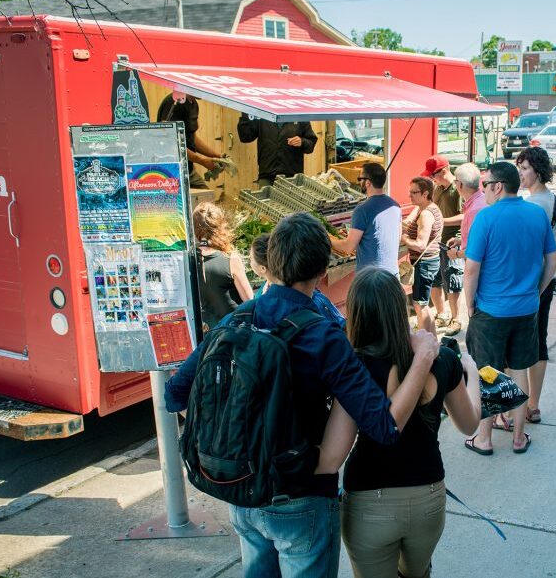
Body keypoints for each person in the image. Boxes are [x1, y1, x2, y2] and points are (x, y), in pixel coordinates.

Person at [165, 213, 440, 578]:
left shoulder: (235, 322)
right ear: (322, 270)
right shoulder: (325, 337)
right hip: (301, 497)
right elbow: (384, 428)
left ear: (270, 263)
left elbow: (175, 396)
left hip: (241, 491)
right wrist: (423, 356)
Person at [315, 268, 481, 578]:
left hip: (369, 501)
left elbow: (333, 455)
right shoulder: (442, 359)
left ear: (356, 312)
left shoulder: (356, 367)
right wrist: (471, 372)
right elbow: (470, 425)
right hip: (428, 495)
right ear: (398, 305)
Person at [462, 162, 556, 456]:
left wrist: (469, 305)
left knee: (489, 373)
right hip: (526, 309)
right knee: (518, 370)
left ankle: (485, 438)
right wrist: (536, 293)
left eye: (485, 184)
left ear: (498, 186)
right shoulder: (537, 214)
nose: (483, 191)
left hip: (491, 311)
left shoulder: (486, 218)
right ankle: (518, 437)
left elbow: (471, 269)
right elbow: (552, 261)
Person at [517, 147, 556, 424]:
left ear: (538, 171)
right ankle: (533, 404)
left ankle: (524, 407)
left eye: (525, 168)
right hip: (546, 279)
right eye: (518, 167)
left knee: (525, 345)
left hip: (533, 282)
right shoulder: (549, 198)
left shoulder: (536, 204)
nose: (520, 173)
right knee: (538, 340)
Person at [249, 233, 346, 328]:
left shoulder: (311, 301)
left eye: (251, 259)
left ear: (263, 268)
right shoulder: (270, 290)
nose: (250, 262)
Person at [331, 162, 401, 275]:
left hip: (371, 279)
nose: (359, 182)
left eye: (360, 178)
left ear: (368, 182)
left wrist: (328, 240)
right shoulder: (395, 205)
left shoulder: (362, 210)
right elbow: (397, 237)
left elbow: (348, 247)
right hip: (393, 274)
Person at [192, 202, 254, 327]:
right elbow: (250, 301)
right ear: (220, 226)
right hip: (233, 330)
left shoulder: (190, 259)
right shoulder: (231, 259)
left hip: (207, 332)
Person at [421, 156, 464, 335]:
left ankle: (456, 319)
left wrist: (440, 221)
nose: (432, 179)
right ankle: (441, 314)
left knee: (453, 282)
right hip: (436, 242)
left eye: (433, 175)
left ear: (443, 171)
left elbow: (465, 216)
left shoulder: (458, 190)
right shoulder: (438, 189)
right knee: (435, 280)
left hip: (452, 242)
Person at [156, 93, 223, 193]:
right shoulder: (174, 103)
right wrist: (202, 160)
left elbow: (192, 137)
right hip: (172, 172)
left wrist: (216, 155)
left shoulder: (194, 104)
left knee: (206, 200)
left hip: (188, 170)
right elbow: (171, 143)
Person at [401, 177, 443, 333]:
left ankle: (425, 343)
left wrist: (404, 238)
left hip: (424, 263)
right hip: (429, 262)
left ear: (425, 194)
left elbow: (420, 245)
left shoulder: (426, 214)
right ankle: (432, 340)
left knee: (420, 305)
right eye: (409, 192)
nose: (410, 196)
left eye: (414, 192)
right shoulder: (429, 207)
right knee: (423, 305)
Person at [236, 115, 318, 186]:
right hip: (267, 176)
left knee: (290, 204)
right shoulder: (263, 115)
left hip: (292, 177)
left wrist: (302, 142)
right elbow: (245, 137)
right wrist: (245, 114)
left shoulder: (298, 115)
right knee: (266, 203)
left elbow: (311, 145)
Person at [445, 163, 485, 260]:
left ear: (460, 184)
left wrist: (457, 254)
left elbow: (478, 249)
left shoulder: (474, 210)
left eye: (455, 181)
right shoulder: (482, 200)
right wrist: (461, 241)